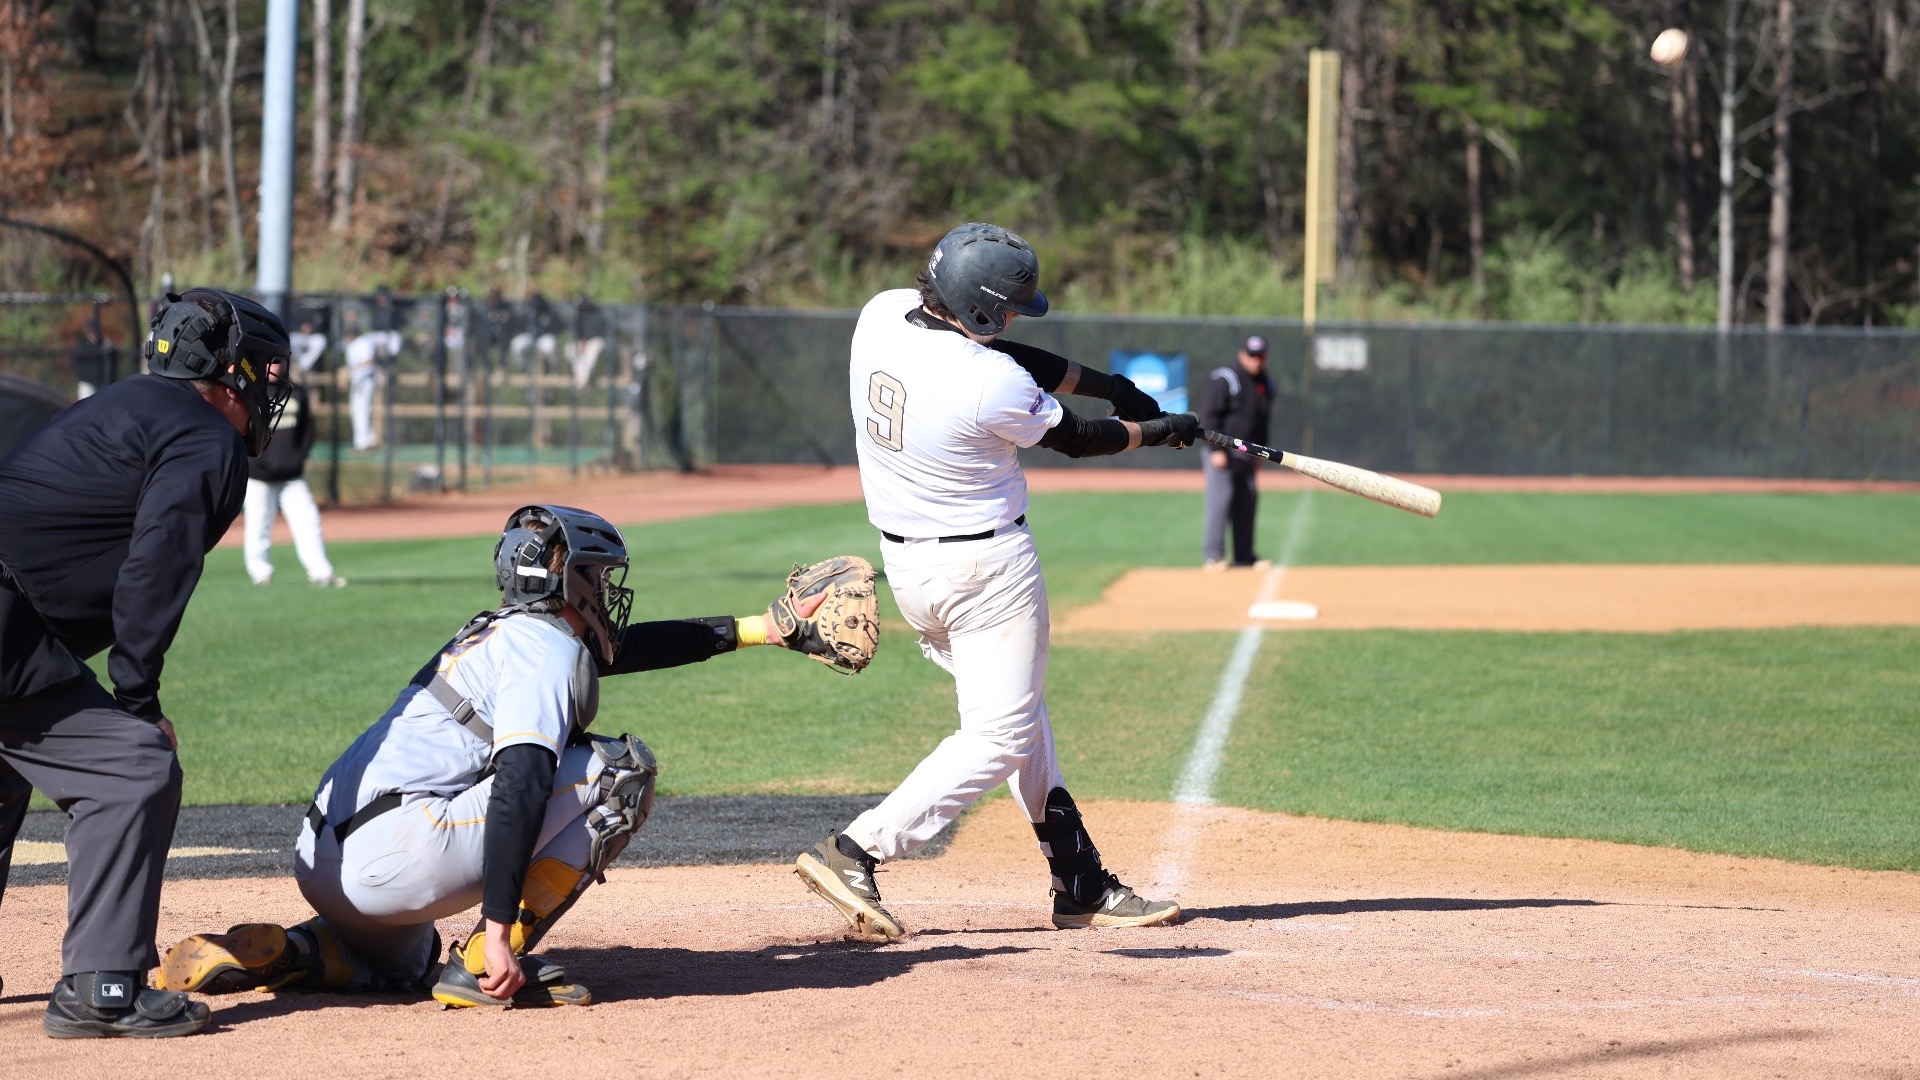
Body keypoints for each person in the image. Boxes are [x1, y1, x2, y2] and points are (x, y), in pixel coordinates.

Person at [156, 507, 878, 1008]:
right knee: (619, 776)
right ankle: (482, 964)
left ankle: (297, 949)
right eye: (595, 576)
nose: (606, 590)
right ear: (563, 581)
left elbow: (630, 650)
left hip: (330, 858)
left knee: (404, 963)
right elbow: (521, 788)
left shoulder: (507, 634)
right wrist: (497, 930)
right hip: (393, 851)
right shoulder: (543, 652)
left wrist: (765, 629)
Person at [797, 221, 1198, 940]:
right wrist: (1160, 429)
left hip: (912, 569)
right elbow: (1076, 437)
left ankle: (1079, 881)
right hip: (985, 572)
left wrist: (1110, 386)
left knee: (1017, 717)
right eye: (1006, 306)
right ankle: (858, 847)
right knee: (1001, 734)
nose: (1012, 318)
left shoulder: (883, 313)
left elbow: (1001, 353)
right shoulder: (991, 384)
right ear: (979, 305)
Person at [0, 288, 290, 1038]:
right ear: (229, 371)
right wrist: (138, 701)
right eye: (264, 371)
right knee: (133, 768)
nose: (271, 387)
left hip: (14, 625)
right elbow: (154, 569)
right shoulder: (205, 437)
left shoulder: (123, 404)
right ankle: (103, 989)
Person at [242, 357, 345, 588]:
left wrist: (298, 458)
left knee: (308, 521)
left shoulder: (296, 393)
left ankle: (321, 573)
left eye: (278, 361)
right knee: (258, 524)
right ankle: (260, 573)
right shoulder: (250, 393)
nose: (274, 366)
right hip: (259, 476)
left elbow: (308, 432)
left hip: (291, 475)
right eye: (268, 361)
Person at [1198, 335, 1275, 571]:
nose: (1255, 360)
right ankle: (1213, 556)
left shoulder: (1265, 383)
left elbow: (1262, 422)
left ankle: (1244, 555)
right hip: (1223, 450)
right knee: (1221, 499)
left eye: (1260, 355)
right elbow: (1209, 416)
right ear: (1242, 354)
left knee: (1247, 499)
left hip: (1248, 453)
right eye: (1251, 355)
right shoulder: (1226, 378)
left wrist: (1262, 454)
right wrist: (1215, 449)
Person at [344, 312, 401, 451]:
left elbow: (369, 360)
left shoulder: (362, 342)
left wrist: (354, 370)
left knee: (362, 409)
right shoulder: (350, 345)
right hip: (357, 380)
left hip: (365, 380)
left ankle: (363, 441)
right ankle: (365, 439)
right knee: (357, 410)